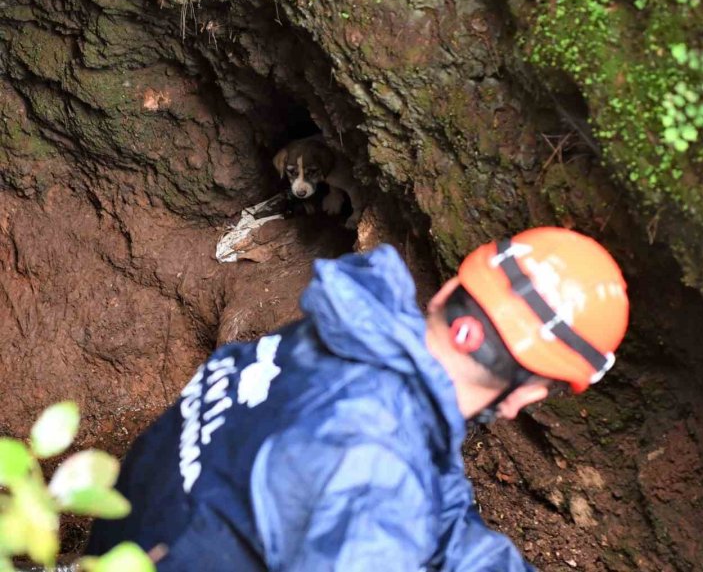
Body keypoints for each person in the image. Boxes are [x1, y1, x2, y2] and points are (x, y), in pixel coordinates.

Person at [86, 227, 629, 571]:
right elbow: (380, 482)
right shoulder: (379, 465)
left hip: (125, 543)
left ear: (443, 294)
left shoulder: (350, 337)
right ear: (526, 395)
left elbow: (427, 496)